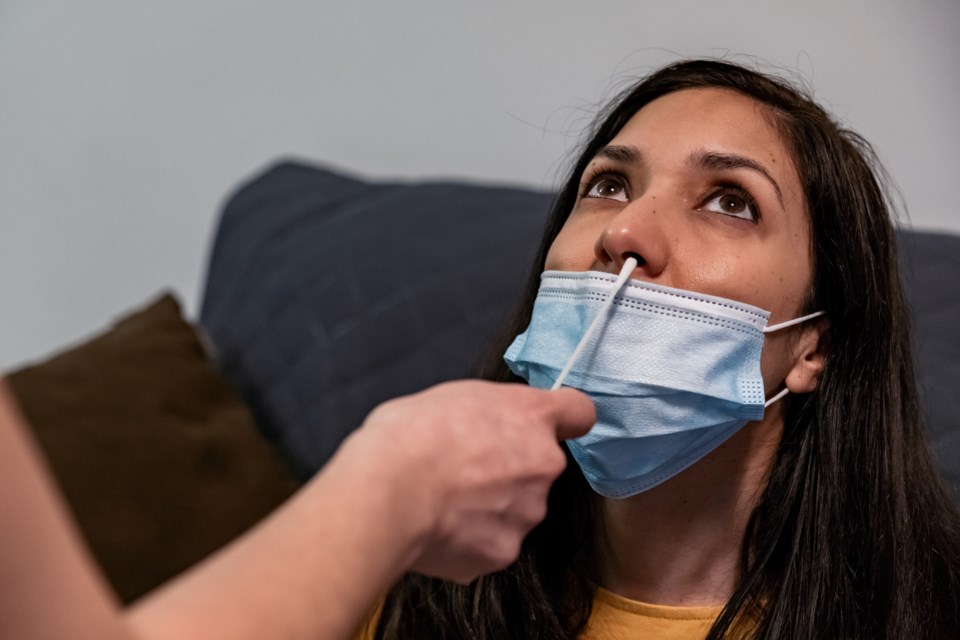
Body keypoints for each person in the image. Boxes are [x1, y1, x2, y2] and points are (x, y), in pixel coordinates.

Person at [367, 59, 960, 639]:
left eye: (731, 201)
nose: (623, 232)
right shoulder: (396, 580)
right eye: (609, 185)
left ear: (814, 348)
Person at [0, 377, 594, 640]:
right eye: (607, 186)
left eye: (696, 200)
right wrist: (405, 482)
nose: (621, 235)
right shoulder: (398, 604)